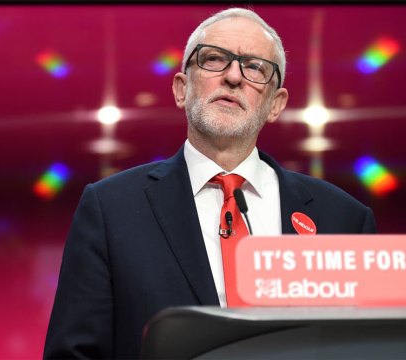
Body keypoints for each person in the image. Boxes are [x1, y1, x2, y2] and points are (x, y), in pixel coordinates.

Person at [43, 7, 376, 359]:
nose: (234, 76)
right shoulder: (110, 210)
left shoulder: (343, 220)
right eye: (215, 59)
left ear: (275, 105)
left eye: (255, 68)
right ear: (181, 89)